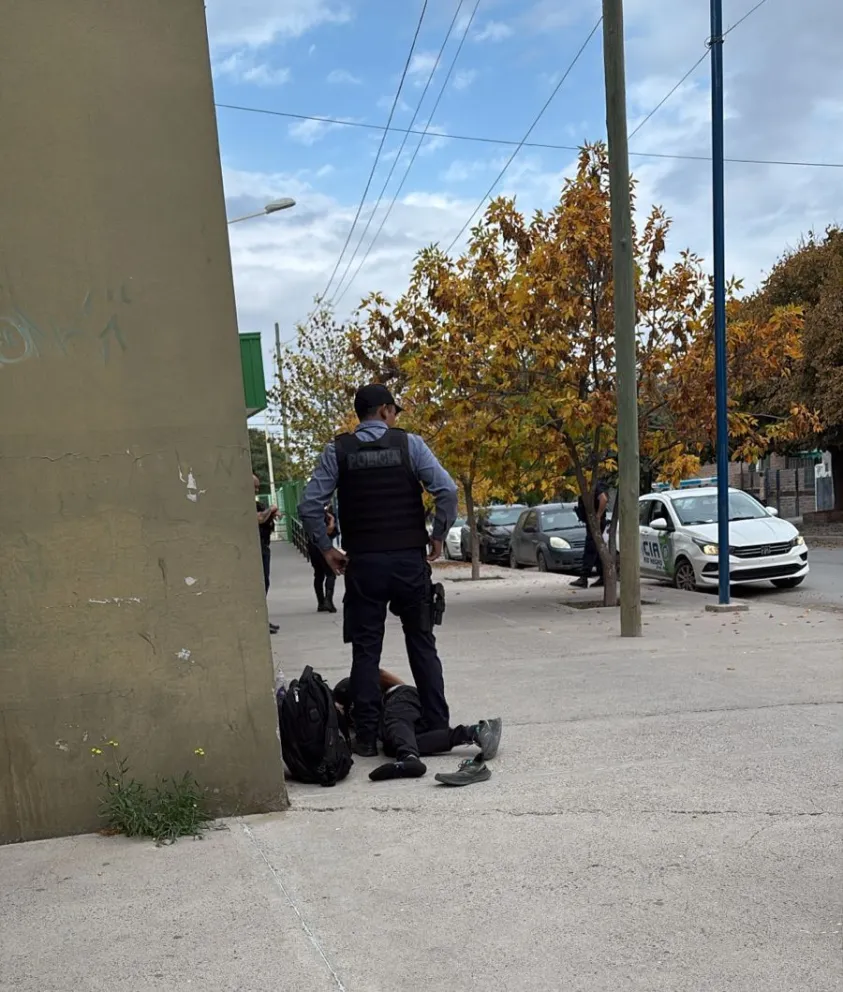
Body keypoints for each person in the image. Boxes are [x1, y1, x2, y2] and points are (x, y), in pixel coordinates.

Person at [298, 383, 459, 758]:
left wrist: (327, 549)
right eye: (394, 411)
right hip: (408, 563)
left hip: (364, 565)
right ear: (385, 411)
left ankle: (367, 737)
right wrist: (437, 536)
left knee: (366, 651)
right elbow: (447, 491)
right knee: (421, 643)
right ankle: (437, 726)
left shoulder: (338, 451)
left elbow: (309, 506)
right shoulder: (410, 445)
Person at [333, 671, 502, 785]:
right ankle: (475, 732)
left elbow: (378, 674)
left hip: (401, 698)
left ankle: (408, 757)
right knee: (392, 745)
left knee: (395, 721)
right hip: (406, 713)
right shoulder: (360, 718)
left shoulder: (354, 690)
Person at [572, 479, 609, 589]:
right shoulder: (590, 486)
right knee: (596, 549)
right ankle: (603, 576)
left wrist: (598, 516)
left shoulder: (594, 486)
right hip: (592, 522)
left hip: (595, 523)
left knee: (590, 548)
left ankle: (584, 577)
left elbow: (603, 499)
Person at [254, 473, 279, 633]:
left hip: (264, 546)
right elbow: (260, 518)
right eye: (254, 487)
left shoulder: (256, 504)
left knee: (265, 583)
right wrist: (272, 509)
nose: (257, 490)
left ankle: (263, 618)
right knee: (260, 585)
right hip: (257, 549)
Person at [309, 504, 339, 613]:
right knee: (331, 574)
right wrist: (332, 521)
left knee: (318, 574)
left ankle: (321, 602)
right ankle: (328, 601)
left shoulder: (310, 515)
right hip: (324, 547)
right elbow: (329, 531)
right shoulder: (326, 516)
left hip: (312, 547)